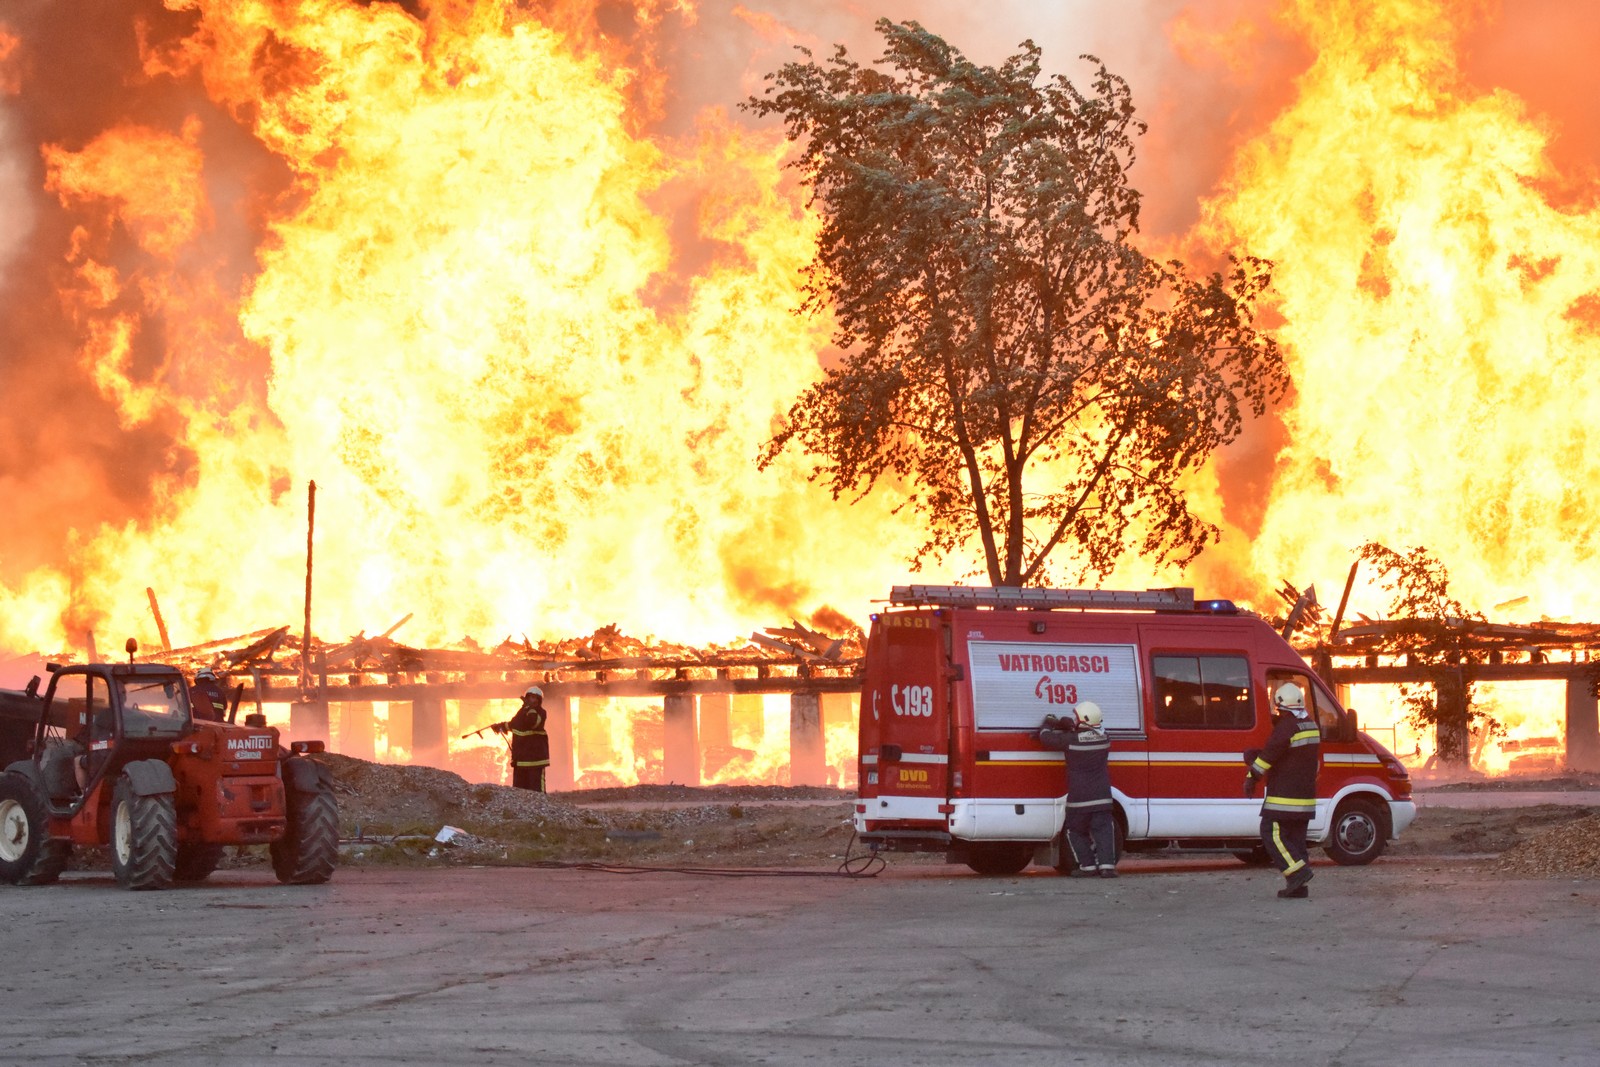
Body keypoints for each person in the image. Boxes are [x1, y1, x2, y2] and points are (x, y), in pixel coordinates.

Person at [1244, 682, 1322, 899]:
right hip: (1305, 798)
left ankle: (1298, 873)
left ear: (1280, 706)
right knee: (1296, 840)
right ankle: (1298, 887)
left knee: (1271, 832)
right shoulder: (1310, 725)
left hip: (1284, 798)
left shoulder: (1286, 726)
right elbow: (1291, 755)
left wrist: (1252, 776)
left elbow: (1269, 755)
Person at [1038, 701, 1117, 878]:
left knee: (1075, 831)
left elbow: (1045, 737)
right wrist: (1072, 727)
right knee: (1103, 831)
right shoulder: (1105, 739)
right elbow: (1088, 734)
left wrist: (1050, 723)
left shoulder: (1070, 740)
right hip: (1102, 797)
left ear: (1083, 720)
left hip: (1079, 799)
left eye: (1077, 717)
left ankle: (1087, 867)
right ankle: (1107, 867)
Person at [493, 686, 551, 792]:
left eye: (535, 698)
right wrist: (500, 726)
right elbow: (514, 724)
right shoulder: (522, 712)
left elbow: (533, 723)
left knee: (537, 792)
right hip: (521, 760)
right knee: (519, 793)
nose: (532, 700)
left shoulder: (541, 712)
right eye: (530, 697)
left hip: (535, 761)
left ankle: (540, 809)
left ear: (539, 700)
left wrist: (530, 708)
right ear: (527, 698)